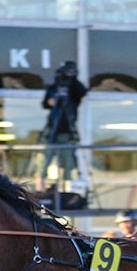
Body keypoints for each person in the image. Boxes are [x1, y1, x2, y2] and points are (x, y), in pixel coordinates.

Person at [33, 60, 87, 192]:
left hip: (67, 130)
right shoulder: (54, 87)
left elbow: (82, 92)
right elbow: (45, 103)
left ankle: (67, 190)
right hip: (52, 129)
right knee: (44, 158)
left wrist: (72, 79)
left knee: (68, 159)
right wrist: (51, 100)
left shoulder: (75, 89)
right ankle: (40, 189)